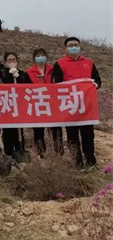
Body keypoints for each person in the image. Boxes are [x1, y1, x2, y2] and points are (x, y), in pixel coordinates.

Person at [52, 37, 102, 169]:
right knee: (72, 136)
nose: (73, 47)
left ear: (80, 46)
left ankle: (91, 161)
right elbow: (57, 85)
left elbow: (97, 79)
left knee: (88, 135)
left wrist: (95, 86)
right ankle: (77, 163)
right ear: (65, 49)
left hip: (87, 106)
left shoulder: (89, 63)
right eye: (70, 45)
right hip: (70, 107)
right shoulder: (59, 64)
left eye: (76, 45)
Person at [25, 48, 63, 157]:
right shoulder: (28, 72)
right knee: (38, 131)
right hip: (37, 105)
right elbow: (25, 89)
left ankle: (59, 152)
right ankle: (41, 153)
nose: (40, 57)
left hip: (52, 105)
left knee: (56, 130)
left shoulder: (53, 70)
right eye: (38, 55)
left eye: (42, 55)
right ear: (34, 58)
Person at [0, 52, 29, 158]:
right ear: (5, 62)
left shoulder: (22, 73)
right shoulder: (2, 73)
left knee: (19, 130)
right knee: (8, 131)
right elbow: (1, 86)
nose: (11, 62)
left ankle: (20, 149)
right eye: (9, 60)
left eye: (14, 60)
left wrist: (18, 77)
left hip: (19, 105)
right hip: (7, 105)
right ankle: (9, 153)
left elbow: (27, 87)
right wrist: (9, 74)